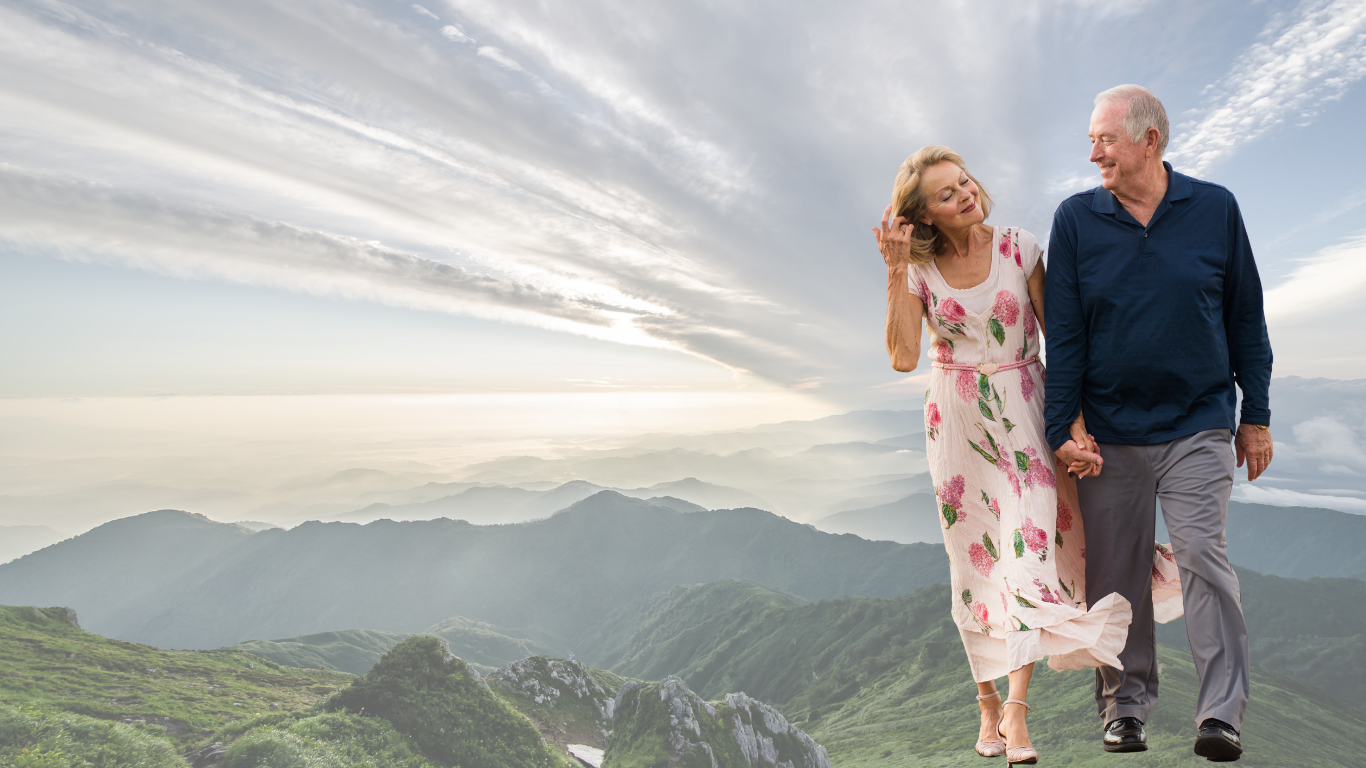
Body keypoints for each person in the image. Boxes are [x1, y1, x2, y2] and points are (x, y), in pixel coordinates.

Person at [875, 146, 1182, 765]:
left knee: (1030, 545)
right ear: (926, 217)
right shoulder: (919, 271)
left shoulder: (1019, 246)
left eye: (963, 182)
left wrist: (1074, 425)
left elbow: (1062, 341)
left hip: (1027, 410)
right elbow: (904, 357)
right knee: (976, 562)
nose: (964, 194)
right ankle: (986, 703)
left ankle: (1015, 712)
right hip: (956, 421)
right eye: (945, 193)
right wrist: (895, 267)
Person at [1045, 85, 1274, 762]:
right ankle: (1126, 707)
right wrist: (1063, 427)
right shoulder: (1076, 221)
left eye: (1105, 140)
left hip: (1199, 423)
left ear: (1150, 140)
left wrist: (1255, 416)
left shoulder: (1215, 209)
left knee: (1203, 553)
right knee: (1114, 574)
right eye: (1091, 140)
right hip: (1110, 432)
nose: (1093, 154)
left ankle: (1221, 714)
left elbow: (1245, 319)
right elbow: (1066, 335)